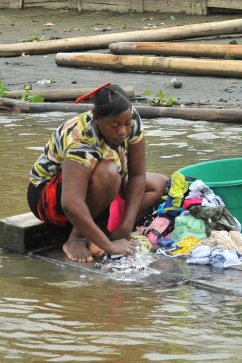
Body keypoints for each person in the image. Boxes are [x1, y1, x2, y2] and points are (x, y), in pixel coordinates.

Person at [27, 83, 168, 262]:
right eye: (115, 125)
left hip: (99, 186)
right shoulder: (81, 137)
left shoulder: (131, 118)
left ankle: (107, 232)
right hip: (49, 198)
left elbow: (137, 175)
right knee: (107, 173)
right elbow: (71, 203)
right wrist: (110, 247)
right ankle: (76, 238)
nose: (123, 131)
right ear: (97, 119)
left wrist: (126, 227)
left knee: (159, 183)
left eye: (126, 124)